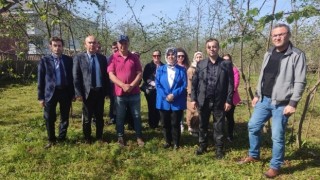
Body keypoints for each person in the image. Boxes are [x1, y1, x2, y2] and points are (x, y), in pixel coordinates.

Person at [238, 24, 307, 178]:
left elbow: (300, 81)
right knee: (253, 126)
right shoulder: (269, 53)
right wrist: (257, 94)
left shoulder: (296, 55)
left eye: (280, 34)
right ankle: (254, 155)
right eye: (274, 35)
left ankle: (275, 166)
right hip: (264, 100)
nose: (277, 38)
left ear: (288, 35)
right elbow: (263, 75)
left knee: (277, 135)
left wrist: (293, 103)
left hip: (282, 103)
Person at [190, 38, 234, 159]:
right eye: (209, 47)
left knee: (218, 126)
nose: (212, 49)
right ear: (206, 49)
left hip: (219, 101)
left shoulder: (226, 64)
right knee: (203, 125)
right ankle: (202, 145)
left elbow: (231, 84)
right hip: (203, 100)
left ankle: (219, 149)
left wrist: (228, 100)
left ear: (218, 48)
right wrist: (193, 99)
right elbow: (194, 83)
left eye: (214, 47)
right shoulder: (201, 64)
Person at [107, 35, 145, 147]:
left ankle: (139, 137)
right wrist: (122, 85)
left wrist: (132, 85)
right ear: (118, 44)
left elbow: (139, 73)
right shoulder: (113, 58)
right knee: (120, 116)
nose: (123, 45)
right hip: (120, 94)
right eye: (121, 43)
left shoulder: (134, 57)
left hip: (134, 93)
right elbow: (111, 74)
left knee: (137, 116)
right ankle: (120, 137)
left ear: (128, 43)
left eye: (125, 43)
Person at [37, 36, 74, 149]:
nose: (57, 48)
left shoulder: (68, 60)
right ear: (50, 47)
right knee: (49, 117)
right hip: (50, 93)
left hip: (65, 92)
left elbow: (72, 78)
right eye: (55, 45)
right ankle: (51, 139)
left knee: (64, 117)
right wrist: (41, 97)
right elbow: (40, 79)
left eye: (59, 45)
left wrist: (72, 94)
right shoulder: (44, 60)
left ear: (62, 47)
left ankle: (62, 138)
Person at [73, 35, 110, 144]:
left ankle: (99, 137)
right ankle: (87, 138)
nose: (92, 45)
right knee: (87, 118)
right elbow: (76, 76)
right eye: (89, 43)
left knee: (99, 117)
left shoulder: (102, 58)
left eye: (94, 43)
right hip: (87, 93)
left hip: (99, 92)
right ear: (85, 44)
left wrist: (107, 92)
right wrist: (78, 93)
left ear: (97, 44)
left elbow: (106, 77)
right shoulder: (79, 58)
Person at [156, 47, 187, 149]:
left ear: (176, 56)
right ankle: (167, 141)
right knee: (165, 123)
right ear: (166, 56)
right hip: (163, 100)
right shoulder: (160, 69)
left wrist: (173, 94)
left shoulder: (182, 70)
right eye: (168, 55)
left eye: (173, 54)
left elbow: (184, 84)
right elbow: (158, 84)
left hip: (177, 100)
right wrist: (166, 95)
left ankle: (176, 143)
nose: (170, 56)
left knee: (175, 123)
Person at [142, 50, 164, 129]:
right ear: (152, 56)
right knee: (151, 107)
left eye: (158, 55)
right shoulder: (148, 66)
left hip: (161, 90)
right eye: (154, 56)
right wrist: (152, 82)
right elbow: (145, 77)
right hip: (151, 90)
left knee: (159, 107)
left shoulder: (164, 66)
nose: (156, 57)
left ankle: (158, 123)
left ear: (160, 56)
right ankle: (152, 124)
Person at [222, 54, 241, 142]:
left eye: (228, 60)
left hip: (231, 98)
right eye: (224, 60)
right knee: (220, 118)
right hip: (220, 98)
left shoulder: (234, 70)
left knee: (229, 117)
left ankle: (230, 135)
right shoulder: (220, 70)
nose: (226, 62)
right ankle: (220, 135)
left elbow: (235, 84)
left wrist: (228, 95)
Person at [186, 51, 203, 135]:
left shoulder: (203, 67)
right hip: (192, 93)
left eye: (200, 57)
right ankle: (191, 127)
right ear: (194, 58)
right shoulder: (191, 69)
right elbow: (190, 83)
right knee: (192, 111)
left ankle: (196, 127)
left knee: (198, 111)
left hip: (201, 93)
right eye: (197, 57)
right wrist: (190, 93)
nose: (199, 59)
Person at [176, 47, 190, 133]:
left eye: (182, 56)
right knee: (179, 108)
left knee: (188, 108)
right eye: (179, 56)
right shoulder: (173, 67)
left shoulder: (188, 67)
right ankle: (180, 124)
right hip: (178, 90)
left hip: (187, 90)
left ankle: (190, 124)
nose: (181, 58)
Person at [107, 41, 118, 125]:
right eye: (113, 48)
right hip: (111, 84)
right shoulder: (109, 59)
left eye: (116, 48)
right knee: (113, 102)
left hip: (121, 83)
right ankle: (112, 117)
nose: (115, 49)